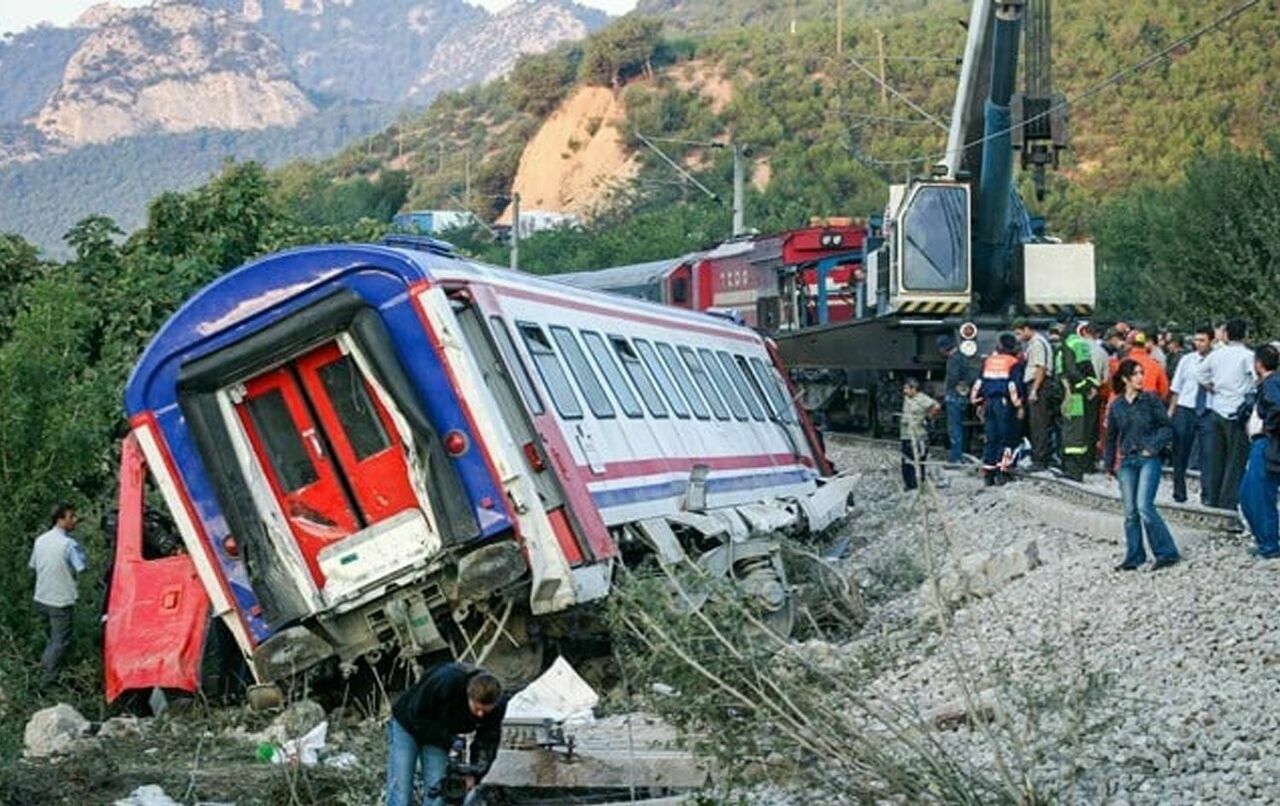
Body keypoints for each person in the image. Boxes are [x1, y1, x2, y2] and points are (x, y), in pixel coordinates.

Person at [387, 661, 506, 806]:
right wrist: (449, 740)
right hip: (408, 724)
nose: (480, 714)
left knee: (438, 793)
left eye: (485, 711)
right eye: (477, 708)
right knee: (401, 792)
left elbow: (487, 742)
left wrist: (474, 773)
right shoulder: (446, 680)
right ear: (468, 695)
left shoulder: (497, 707)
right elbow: (416, 715)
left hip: (440, 734)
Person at [1104, 360, 1181, 571]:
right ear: (1125, 378)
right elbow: (1110, 437)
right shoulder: (1117, 405)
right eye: (1136, 374)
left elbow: (1167, 428)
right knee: (1130, 513)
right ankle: (1134, 556)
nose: (1140, 377)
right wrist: (1109, 465)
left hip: (1148, 458)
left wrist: (1152, 447)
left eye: (1141, 373)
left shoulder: (1151, 400)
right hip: (1127, 461)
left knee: (1144, 506)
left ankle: (1166, 553)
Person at [1197, 318, 1256, 509]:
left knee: (1215, 457)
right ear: (1245, 334)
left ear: (1227, 334)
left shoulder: (1217, 355)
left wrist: (1211, 387)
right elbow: (1257, 379)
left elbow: (1200, 374)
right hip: (1237, 411)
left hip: (1216, 407)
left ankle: (1211, 497)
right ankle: (1228, 500)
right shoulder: (1248, 356)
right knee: (1235, 459)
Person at [29, 503, 86, 686]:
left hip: (41, 597)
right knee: (59, 642)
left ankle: (39, 672)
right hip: (60, 600)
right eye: (71, 516)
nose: (74, 520)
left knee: (49, 639)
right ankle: (45, 682)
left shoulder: (40, 540)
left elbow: (33, 565)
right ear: (61, 520)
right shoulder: (68, 544)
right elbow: (81, 567)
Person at [1240, 344, 1280, 558]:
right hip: (1262, 443)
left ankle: (1270, 543)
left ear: (1258, 363)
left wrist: (1268, 426)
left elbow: (1277, 407)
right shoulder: (1269, 383)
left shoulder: (1271, 383)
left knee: (1258, 495)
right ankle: (1266, 540)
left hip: (1265, 443)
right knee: (1250, 495)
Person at [1167, 326, 1213, 503]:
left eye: (1202, 340)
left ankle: (1207, 495)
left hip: (1207, 410)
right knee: (1180, 452)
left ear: (1211, 341)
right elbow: (1176, 387)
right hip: (1185, 408)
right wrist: (1171, 411)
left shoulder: (1216, 360)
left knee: (1208, 454)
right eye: (1196, 340)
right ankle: (1179, 492)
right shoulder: (1187, 360)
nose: (1198, 344)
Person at [971, 333, 1024, 486]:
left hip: (988, 403)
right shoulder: (1013, 363)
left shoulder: (988, 361)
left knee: (991, 437)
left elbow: (978, 384)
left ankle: (988, 472)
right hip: (1004, 404)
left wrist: (977, 402)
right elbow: (1013, 387)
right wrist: (1019, 406)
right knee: (1006, 437)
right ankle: (1003, 471)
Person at [1056, 320, 1099, 481]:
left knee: (1071, 434)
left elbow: (1069, 372)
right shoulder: (1082, 344)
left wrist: (1071, 391)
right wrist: (1090, 387)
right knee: (1082, 433)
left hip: (1072, 395)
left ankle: (1072, 471)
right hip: (1085, 396)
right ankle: (1081, 468)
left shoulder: (1066, 346)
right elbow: (1088, 368)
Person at [1013, 318, 1054, 470]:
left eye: (1019, 333)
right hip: (1037, 384)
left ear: (1027, 329)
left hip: (1039, 385)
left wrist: (1035, 390)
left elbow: (1041, 368)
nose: (1018, 337)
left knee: (1039, 424)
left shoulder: (1037, 344)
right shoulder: (1034, 343)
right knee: (1036, 423)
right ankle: (1039, 456)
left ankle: (1040, 460)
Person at [899, 377, 940, 491]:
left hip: (918, 435)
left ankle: (918, 484)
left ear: (914, 389)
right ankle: (909, 484)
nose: (904, 391)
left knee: (918, 460)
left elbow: (936, 406)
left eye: (907, 389)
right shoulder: (906, 399)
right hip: (906, 435)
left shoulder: (922, 399)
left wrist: (927, 418)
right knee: (906, 461)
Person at [938, 335, 971, 464]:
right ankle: (960, 453)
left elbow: (953, 377)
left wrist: (947, 390)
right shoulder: (962, 357)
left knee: (954, 428)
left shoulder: (953, 360)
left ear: (943, 348)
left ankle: (955, 457)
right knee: (960, 427)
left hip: (954, 396)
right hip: (962, 395)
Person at [1128, 332, 1170, 399]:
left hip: (1127, 403)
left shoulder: (1122, 362)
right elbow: (1164, 388)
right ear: (1145, 344)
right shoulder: (1155, 364)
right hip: (1148, 403)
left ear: (1130, 345)